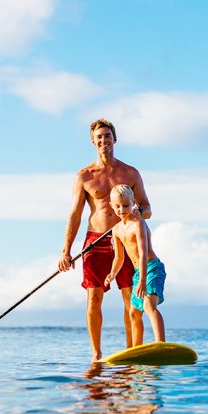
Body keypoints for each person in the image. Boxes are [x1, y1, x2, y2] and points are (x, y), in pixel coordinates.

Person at [58, 119, 151, 362]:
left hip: (125, 239)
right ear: (93, 142)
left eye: (107, 136)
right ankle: (97, 354)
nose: (103, 141)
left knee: (130, 296)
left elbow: (147, 207)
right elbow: (75, 214)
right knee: (94, 297)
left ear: (114, 139)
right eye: (99, 137)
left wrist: (138, 213)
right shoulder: (84, 176)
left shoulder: (130, 173)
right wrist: (66, 251)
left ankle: (132, 350)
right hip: (95, 242)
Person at [104, 184, 166, 346]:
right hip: (139, 272)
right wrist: (112, 274)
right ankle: (136, 349)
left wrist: (142, 280)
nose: (122, 209)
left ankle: (161, 344)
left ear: (133, 204)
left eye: (126, 205)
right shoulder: (116, 230)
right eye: (117, 206)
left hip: (151, 268)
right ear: (111, 205)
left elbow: (143, 253)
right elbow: (119, 257)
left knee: (148, 304)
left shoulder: (138, 224)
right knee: (133, 313)